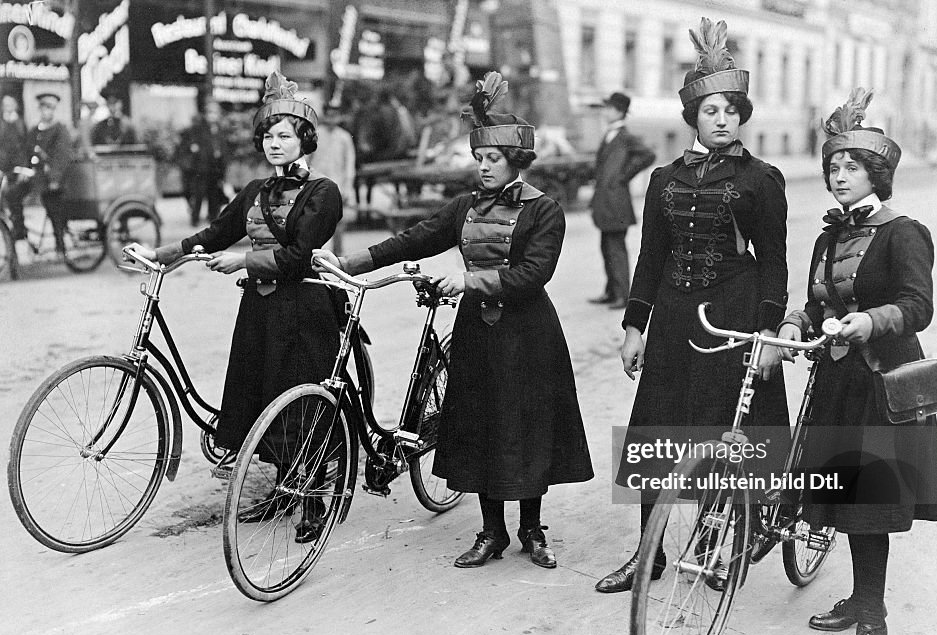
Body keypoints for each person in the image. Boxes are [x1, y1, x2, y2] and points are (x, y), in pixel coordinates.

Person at [313, 71, 593, 569]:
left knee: (526, 428)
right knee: (480, 424)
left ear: (516, 163)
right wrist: (349, 261)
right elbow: (413, 239)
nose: (483, 168)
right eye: (480, 159)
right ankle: (492, 532)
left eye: (494, 160)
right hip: (478, 333)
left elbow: (533, 274)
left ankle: (532, 528)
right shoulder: (465, 206)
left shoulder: (545, 210)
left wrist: (469, 281)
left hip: (528, 334)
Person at [596, 18, 790, 593]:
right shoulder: (663, 180)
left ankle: (711, 539)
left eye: (731, 109)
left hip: (733, 315)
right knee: (657, 433)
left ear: (742, 115)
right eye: (711, 111)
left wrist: (768, 334)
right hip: (674, 321)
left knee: (718, 431)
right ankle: (648, 552)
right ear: (693, 118)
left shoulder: (762, 179)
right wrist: (635, 326)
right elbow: (651, 258)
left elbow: (774, 260)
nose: (722, 118)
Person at [127, 72, 343, 543]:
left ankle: (311, 498)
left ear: (304, 140)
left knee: (296, 398)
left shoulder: (323, 193)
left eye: (284, 135)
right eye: (268, 135)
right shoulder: (253, 191)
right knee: (259, 394)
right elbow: (213, 235)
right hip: (260, 310)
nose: (274, 143)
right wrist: (160, 253)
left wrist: (243, 259)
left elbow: (298, 256)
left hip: (303, 307)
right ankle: (284, 487)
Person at [777, 88, 937, 635]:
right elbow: (814, 300)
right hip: (836, 383)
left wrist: (869, 322)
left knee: (867, 504)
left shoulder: (904, 232)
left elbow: (917, 306)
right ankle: (859, 598)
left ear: (877, 174)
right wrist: (797, 322)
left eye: (852, 167)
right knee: (843, 501)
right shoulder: (829, 236)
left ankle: (872, 617)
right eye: (833, 167)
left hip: (880, 383)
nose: (839, 176)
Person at [588, 91, 656, 309]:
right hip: (606, 200)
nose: (605, 112)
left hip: (616, 201)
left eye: (608, 108)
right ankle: (611, 291)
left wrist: (623, 176)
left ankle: (622, 294)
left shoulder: (625, 136)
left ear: (618, 111)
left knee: (615, 248)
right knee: (606, 246)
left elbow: (648, 155)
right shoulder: (610, 134)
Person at [26, 93, 75, 245]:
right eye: (43, 108)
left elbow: (62, 156)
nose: (46, 112)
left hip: (56, 181)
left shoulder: (60, 130)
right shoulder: (35, 131)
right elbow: (28, 152)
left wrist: (54, 178)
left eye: (50, 108)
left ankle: (60, 245)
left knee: (55, 211)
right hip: (40, 179)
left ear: (54, 110)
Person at [309, 107, 356, 252]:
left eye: (335, 116)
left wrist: (348, 187)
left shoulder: (344, 137)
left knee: (338, 223)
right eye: (329, 116)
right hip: (317, 185)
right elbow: (306, 159)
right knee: (315, 223)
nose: (331, 119)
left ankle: (337, 256)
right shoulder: (316, 135)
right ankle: (314, 255)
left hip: (338, 185)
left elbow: (349, 164)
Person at [175, 102, 229, 226]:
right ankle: (195, 218)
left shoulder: (220, 129)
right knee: (198, 194)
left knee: (214, 194)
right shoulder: (198, 128)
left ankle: (213, 217)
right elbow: (189, 142)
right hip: (201, 168)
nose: (212, 116)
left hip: (216, 167)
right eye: (210, 113)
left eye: (215, 113)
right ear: (205, 114)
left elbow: (223, 147)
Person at [0, 94, 29, 239]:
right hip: (3, 169)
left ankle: (19, 230)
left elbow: (25, 148)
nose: (8, 107)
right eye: (5, 104)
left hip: (18, 170)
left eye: (10, 104)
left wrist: (24, 168)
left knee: (14, 196)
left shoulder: (20, 124)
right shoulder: (1, 124)